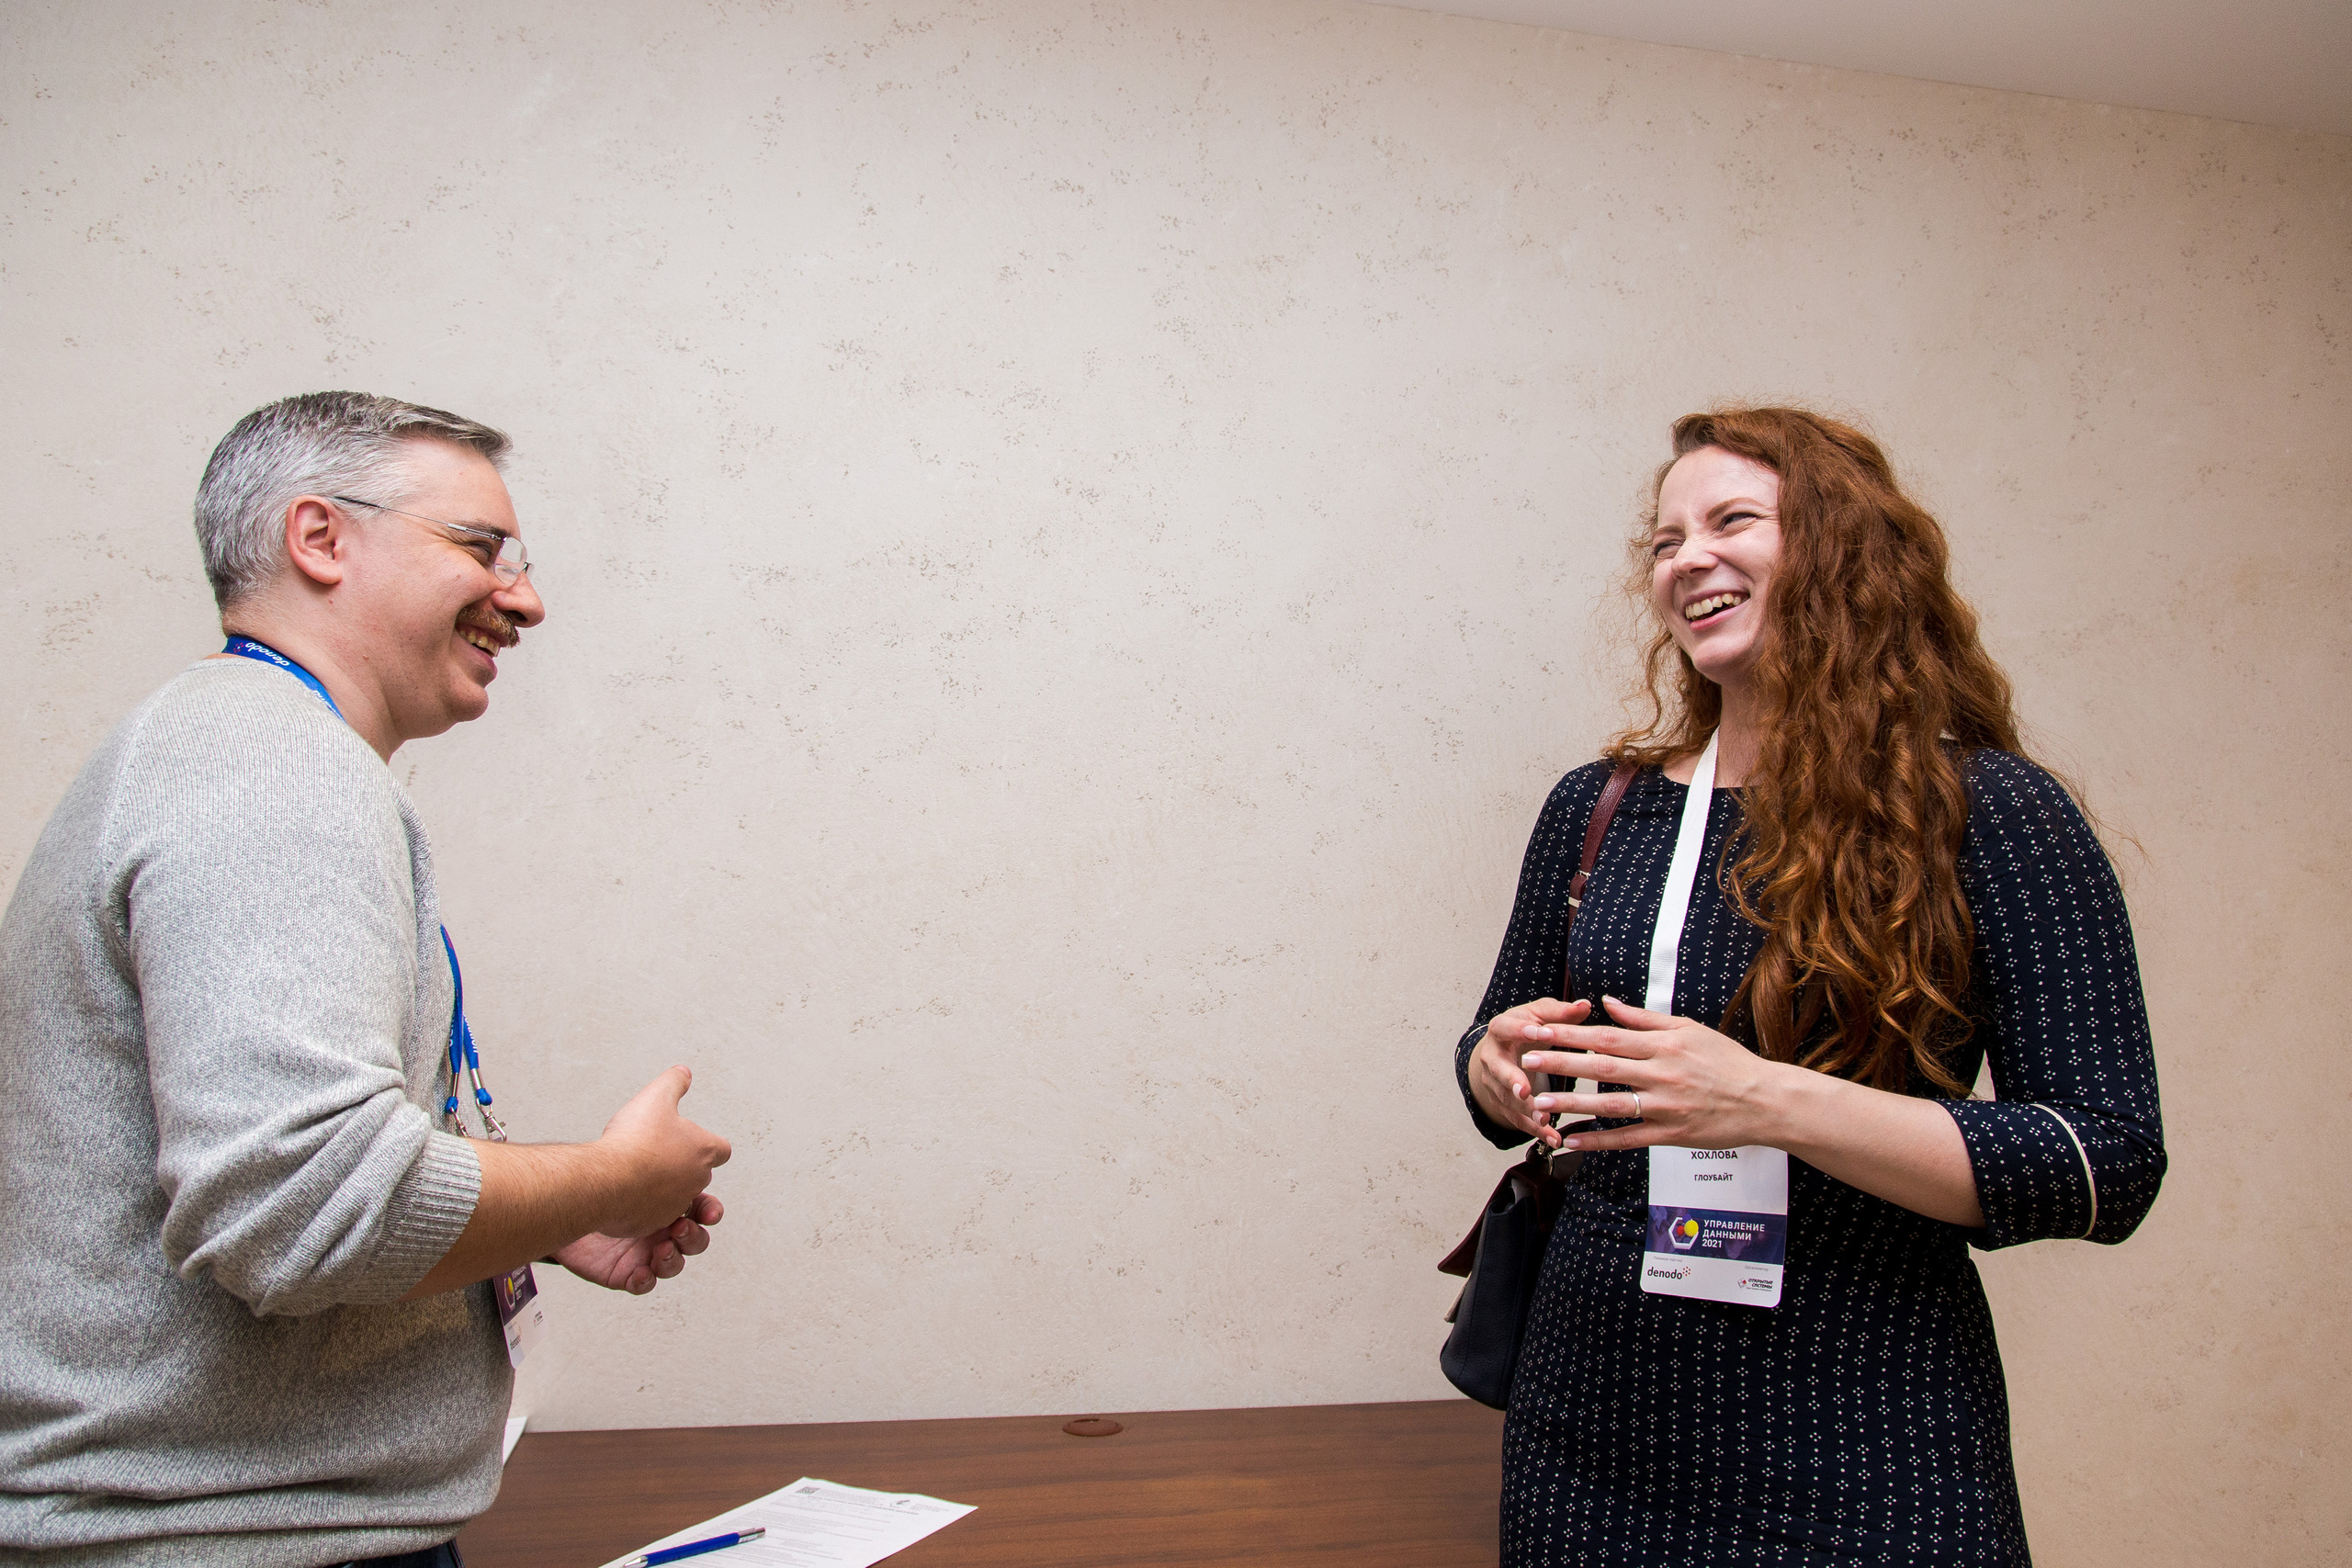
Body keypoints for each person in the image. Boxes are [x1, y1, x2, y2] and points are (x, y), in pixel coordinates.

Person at [0, 392, 733, 1567]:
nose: (525, 599)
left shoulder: (231, 750)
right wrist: (615, 1175)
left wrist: (548, 1221)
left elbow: (283, 1182)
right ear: (320, 538)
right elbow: (303, 1208)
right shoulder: (274, 771)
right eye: (481, 547)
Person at [1454, 407, 2164, 1566]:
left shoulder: (1989, 814)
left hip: (1860, 1433)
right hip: (1587, 1426)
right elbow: (1494, 1060)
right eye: (1666, 540)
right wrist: (1494, 1065)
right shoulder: (1601, 806)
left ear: (1840, 549)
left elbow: (2106, 1162)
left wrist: (1765, 1102)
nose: (1687, 558)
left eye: (1732, 520)